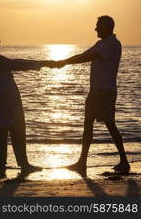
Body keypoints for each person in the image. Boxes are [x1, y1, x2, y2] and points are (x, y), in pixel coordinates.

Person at [51, 16, 130, 177]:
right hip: (95, 91)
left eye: (98, 26)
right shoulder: (101, 44)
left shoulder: (113, 44)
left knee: (110, 125)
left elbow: (87, 57)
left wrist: (63, 62)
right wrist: (64, 61)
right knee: (88, 125)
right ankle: (82, 162)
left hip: (105, 91)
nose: (95, 29)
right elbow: (84, 54)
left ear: (107, 27)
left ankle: (124, 160)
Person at [0, 30, 50, 180]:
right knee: (16, 128)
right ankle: (23, 164)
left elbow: (15, 63)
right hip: (6, 97)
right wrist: (42, 63)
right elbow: (17, 64)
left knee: (1, 129)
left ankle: (3, 165)